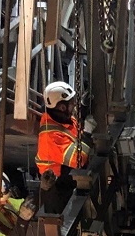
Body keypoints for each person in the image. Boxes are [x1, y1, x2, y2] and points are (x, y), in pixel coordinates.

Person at [35, 81, 94, 213]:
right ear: (62, 107)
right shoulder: (50, 137)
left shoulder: (61, 119)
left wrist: (84, 109)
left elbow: (75, 130)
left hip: (65, 178)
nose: (74, 105)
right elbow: (78, 160)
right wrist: (88, 134)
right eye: (71, 102)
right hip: (58, 188)